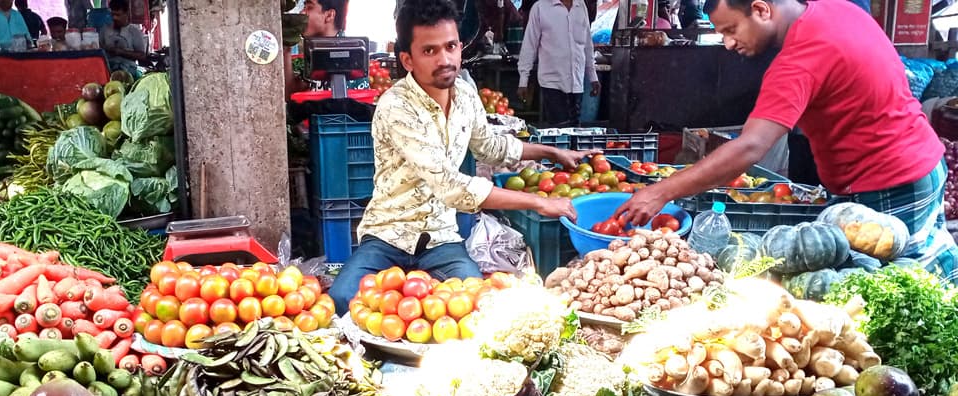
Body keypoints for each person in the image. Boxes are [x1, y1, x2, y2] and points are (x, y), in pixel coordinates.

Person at [615, 0, 958, 282]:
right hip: (919, 165)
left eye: (731, 30)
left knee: (904, 289)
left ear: (762, 10)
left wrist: (661, 190)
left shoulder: (799, 58)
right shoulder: (837, 8)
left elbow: (751, 146)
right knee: (934, 268)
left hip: (888, 182)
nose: (729, 44)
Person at [328, 0, 593, 314]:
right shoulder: (395, 105)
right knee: (344, 300)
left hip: (441, 238)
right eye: (430, 51)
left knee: (476, 309)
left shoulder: (466, 95)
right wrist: (539, 201)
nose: (444, 59)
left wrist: (552, 152)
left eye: (450, 46)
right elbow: (451, 186)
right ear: (407, 60)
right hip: (389, 234)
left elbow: (492, 147)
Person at [516, 0, 600, 127]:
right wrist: (523, 80)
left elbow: (587, 44)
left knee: (575, 131)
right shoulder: (540, 8)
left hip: (576, 82)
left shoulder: (580, 6)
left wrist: (593, 77)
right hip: (552, 83)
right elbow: (529, 45)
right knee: (560, 129)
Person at [100, 0, 146, 77]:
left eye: (118, 15)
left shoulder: (134, 31)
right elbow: (99, 48)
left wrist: (121, 52)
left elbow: (142, 55)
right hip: (108, 69)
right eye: (113, 15)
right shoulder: (105, 30)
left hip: (129, 70)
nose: (115, 18)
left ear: (126, 14)